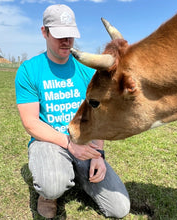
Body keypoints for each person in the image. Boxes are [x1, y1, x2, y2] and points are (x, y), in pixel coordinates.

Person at [15, 4, 130, 219]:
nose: (66, 41)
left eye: (70, 34)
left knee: (120, 208)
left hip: (84, 141)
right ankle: (49, 195)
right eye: (59, 35)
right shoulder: (29, 70)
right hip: (48, 141)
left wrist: (98, 154)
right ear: (44, 32)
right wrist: (68, 144)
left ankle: (79, 175)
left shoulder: (88, 72)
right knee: (52, 185)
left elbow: (98, 116)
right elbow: (31, 122)